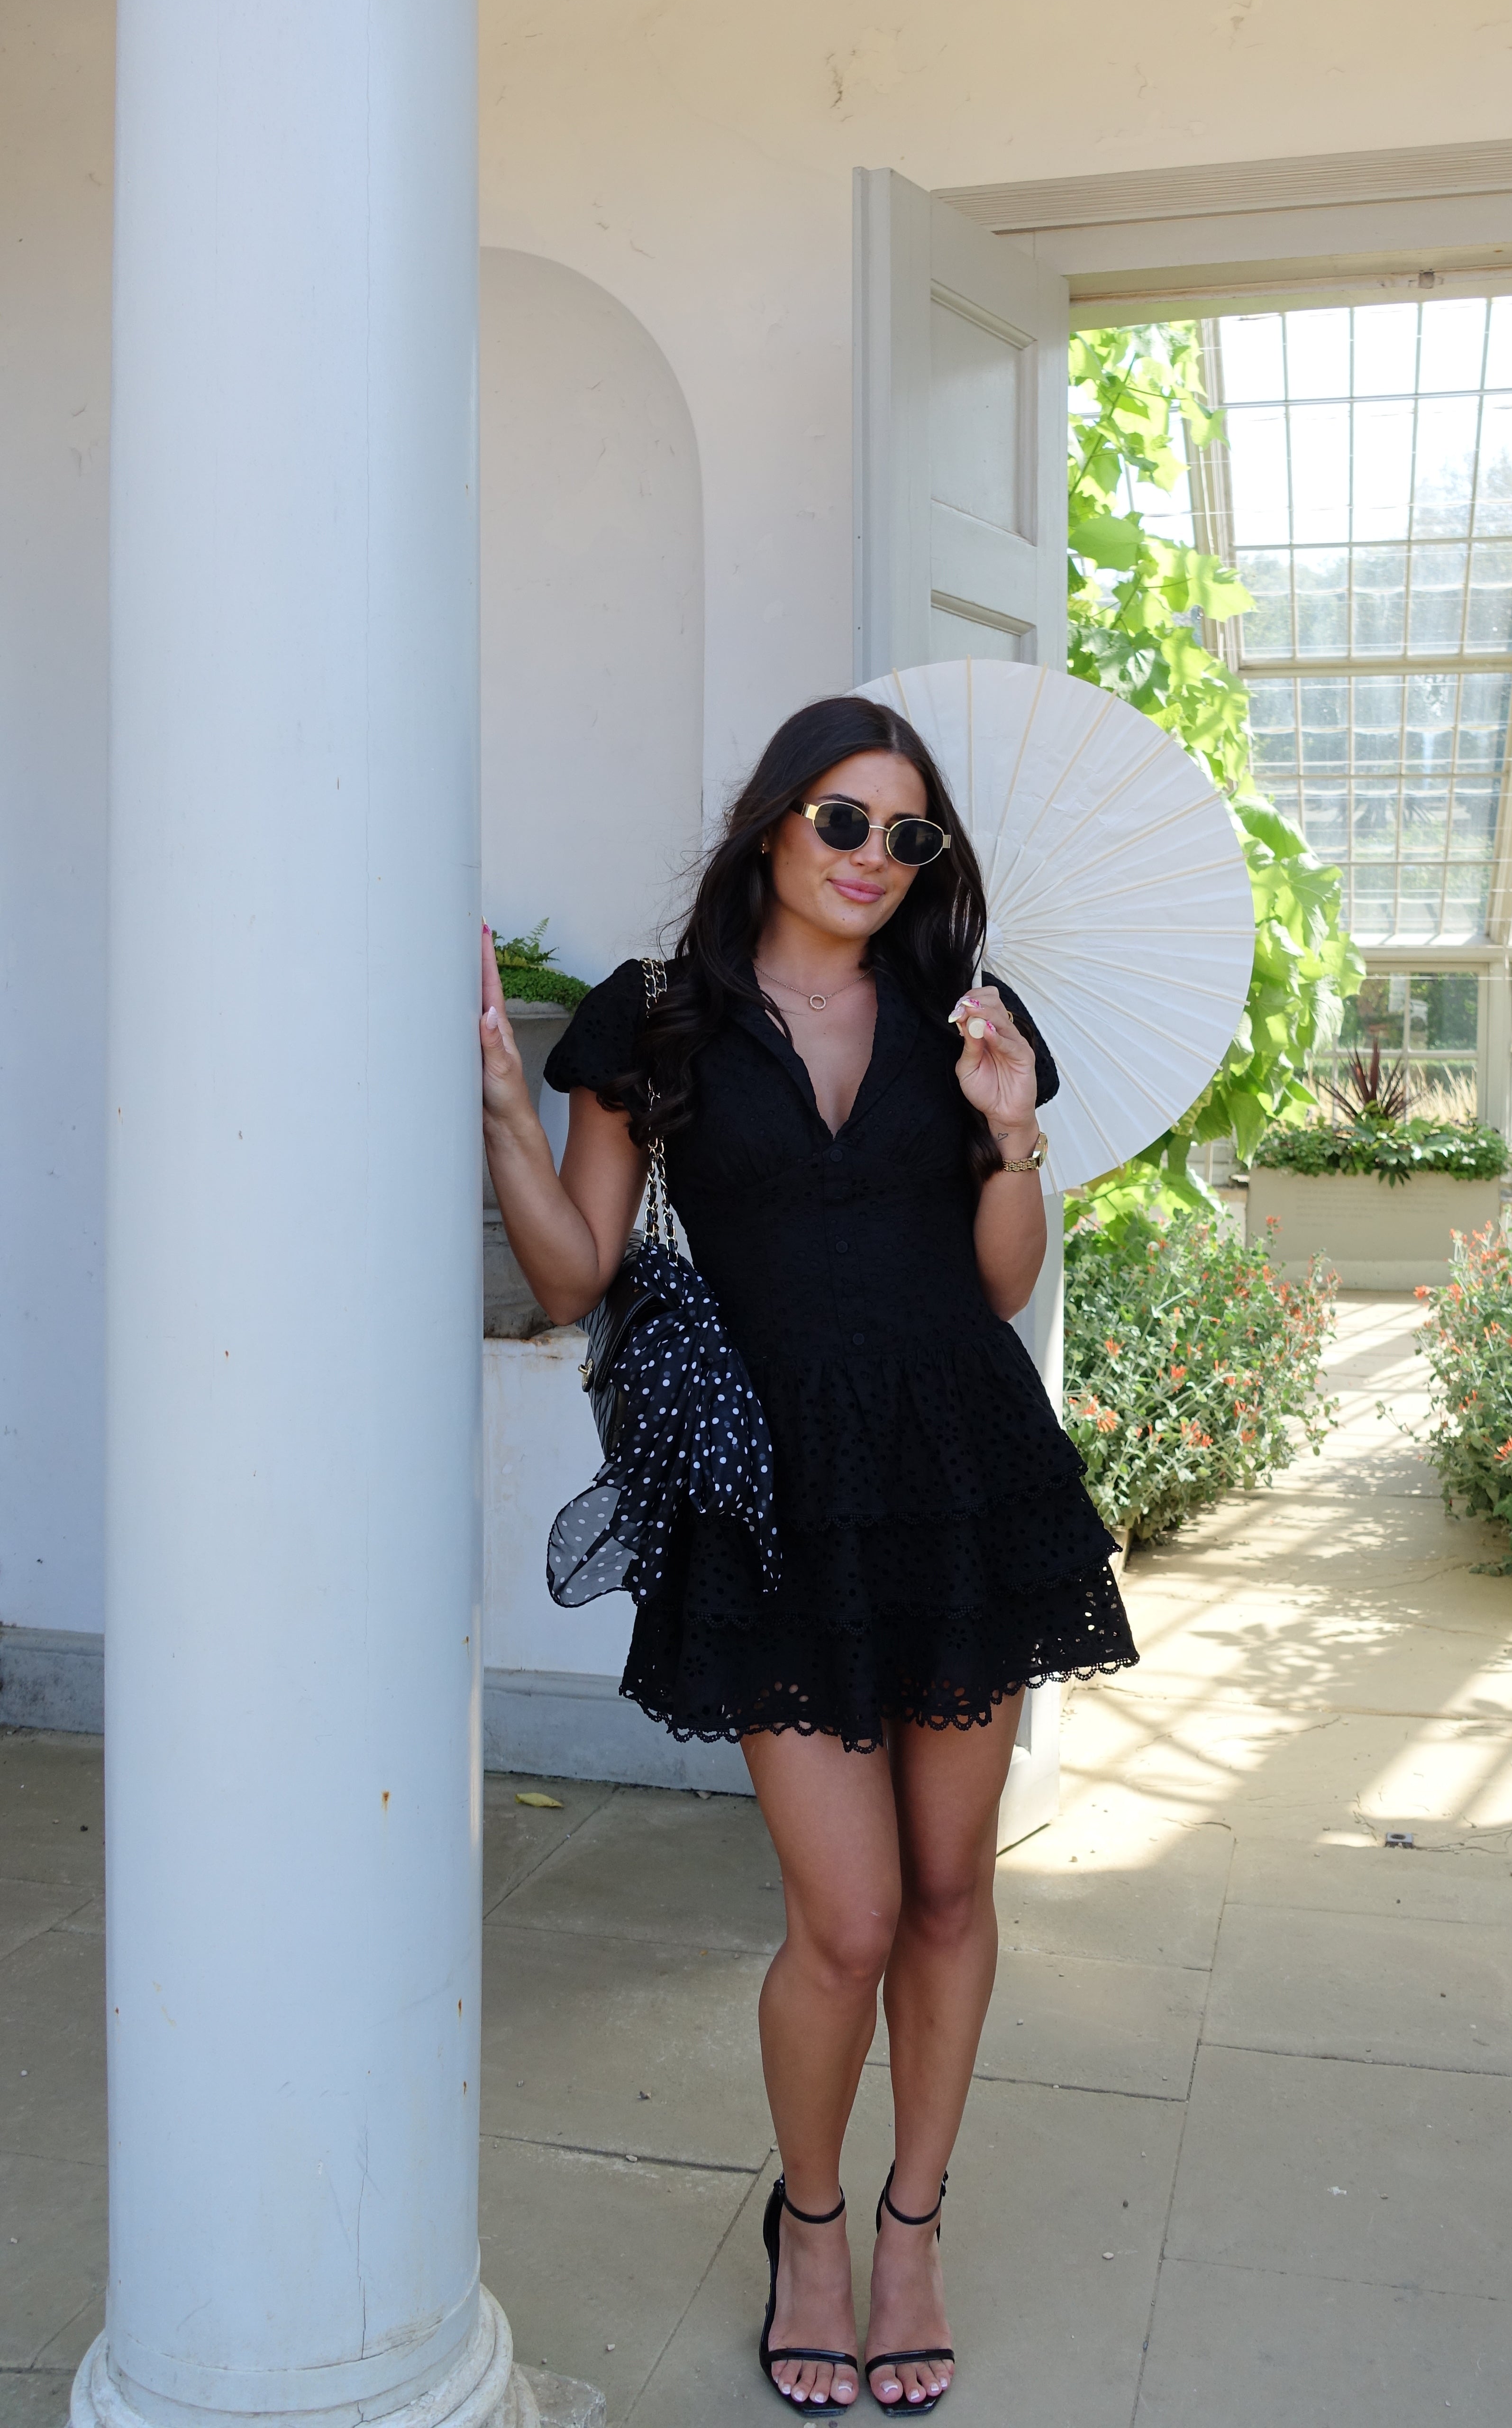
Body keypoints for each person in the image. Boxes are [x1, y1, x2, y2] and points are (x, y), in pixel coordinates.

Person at [480, 694, 1136, 2414]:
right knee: (840, 1921)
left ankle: (914, 2222)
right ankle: (817, 2223)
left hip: (965, 1480)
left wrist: (1010, 1128)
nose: (871, 859)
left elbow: (1002, 1284)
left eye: (906, 836)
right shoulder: (656, 1023)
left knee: (947, 1892)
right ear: (772, 823)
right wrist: (498, 1110)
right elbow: (572, 1278)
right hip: (779, 1504)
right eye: (842, 821)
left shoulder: (971, 1021)